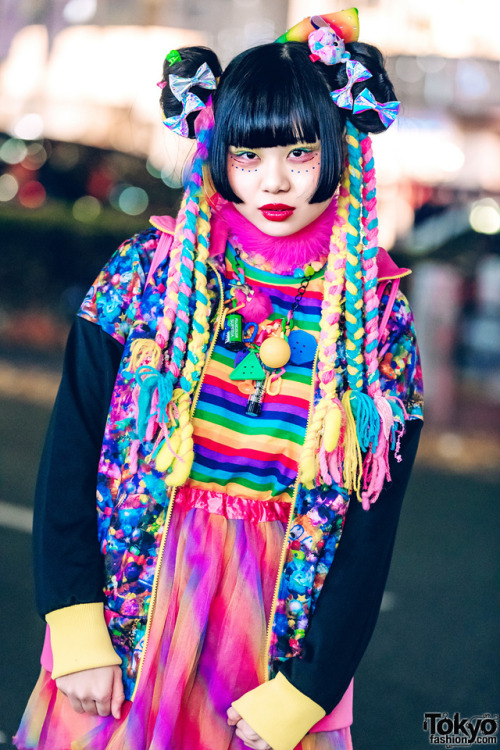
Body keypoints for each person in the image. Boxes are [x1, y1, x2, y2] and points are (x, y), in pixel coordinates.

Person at [15, 8, 424, 750]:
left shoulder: (374, 313)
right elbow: (71, 450)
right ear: (216, 153)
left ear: (341, 151)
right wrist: (75, 624)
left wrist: (310, 688)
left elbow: (373, 529)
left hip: (277, 632)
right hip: (128, 607)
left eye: (300, 155)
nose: (273, 181)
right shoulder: (150, 274)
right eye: (248, 155)